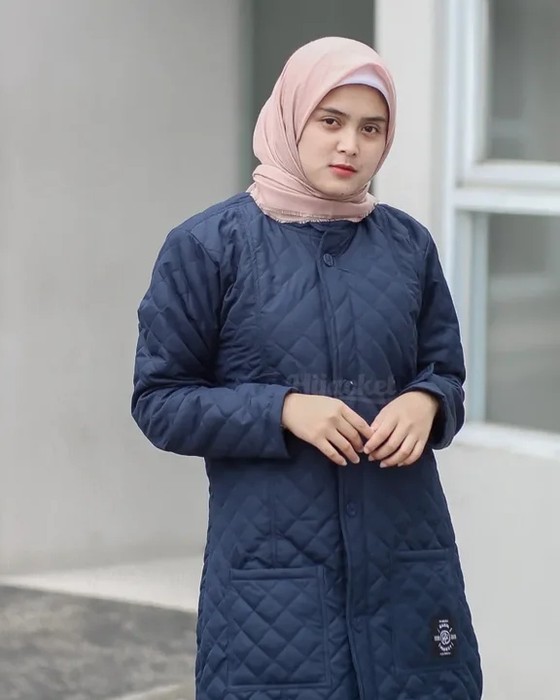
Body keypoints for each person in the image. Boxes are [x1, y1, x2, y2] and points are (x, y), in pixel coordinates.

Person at [132, 36, 483, 700]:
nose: (350, 145)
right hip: (273, 590)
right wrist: (282, 410)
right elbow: (160, 400)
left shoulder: (408, 245)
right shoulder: (208, 246)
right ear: (292, 118)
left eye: (371, 128)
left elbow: (445, 371)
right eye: (331, 120)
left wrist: (429, 403)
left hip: (405, 567)